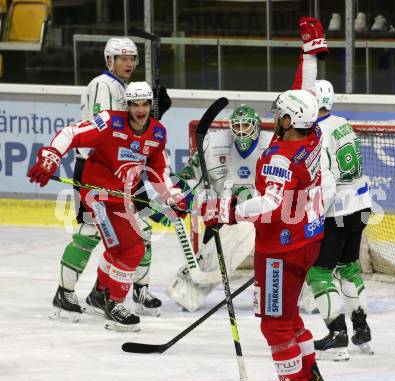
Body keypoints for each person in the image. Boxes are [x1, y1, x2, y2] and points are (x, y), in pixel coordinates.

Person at [198, 17, 337, 381]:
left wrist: (226, 210)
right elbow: (304, 95)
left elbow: (272, 206)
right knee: (291, 318)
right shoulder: (313, 134)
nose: (276, 117)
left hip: (280, 250)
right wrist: (309, 55)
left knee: (275, 325)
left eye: (280, 113)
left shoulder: (279, 156)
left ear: (289, 119)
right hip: (309, 238)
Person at [28, 81, 185, 332]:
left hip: (123, 198)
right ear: (128, 105)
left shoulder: (157, 133)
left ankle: (100, 295)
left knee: (121, 249)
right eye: (135, 104)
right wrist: (50, 157)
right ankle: (115, 304)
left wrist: (172, 195)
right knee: (132, 249)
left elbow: (159, 169)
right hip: (97, 197)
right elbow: (71, 133)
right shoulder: (109, 122)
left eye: (145, 103)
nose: (141, 109)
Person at [51, 37, 171, 322]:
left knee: (138, 230)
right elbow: (104, 130)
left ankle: (119, 291)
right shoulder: (102, 85)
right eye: (121, 58)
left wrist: (153, 115)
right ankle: (67, 292)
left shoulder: (124, 87)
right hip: (99, 170)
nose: (128, 63)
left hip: (124, 171)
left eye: (132, 58)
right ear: (109, 60)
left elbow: (132, 127)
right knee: (92, 233)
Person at [166, 105, 273, 312]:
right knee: (219, 250)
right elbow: (189, 174)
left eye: (246, 126)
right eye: (238, 126)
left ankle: (291, 295)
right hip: (225, 217)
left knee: (289, 254)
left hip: (267, 216)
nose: (242, 131)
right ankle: (187, 291)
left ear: (257, 128)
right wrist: (177, 194)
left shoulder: (272, 145)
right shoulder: (213, 144)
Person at [306, 78, 373, 360]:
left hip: (339, 210)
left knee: (319, 272)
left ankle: (337, 335)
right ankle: (361, 330)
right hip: (362, 204)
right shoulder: (343, 122)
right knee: (349, 267)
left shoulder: (317, 132)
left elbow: (326, 181)